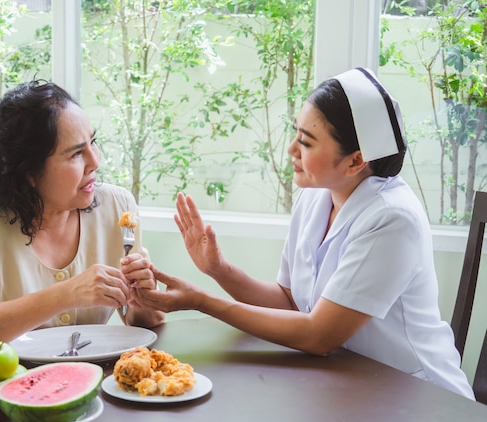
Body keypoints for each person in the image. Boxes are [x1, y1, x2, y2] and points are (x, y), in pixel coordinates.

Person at [134, 67, 475, 400]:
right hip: (347, 386)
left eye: (307, 142)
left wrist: (202, 301)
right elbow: (291, 301)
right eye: (296, 133)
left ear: (356, 161)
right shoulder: (315, 196)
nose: (291, 150)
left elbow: (318, 334)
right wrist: (218, 270)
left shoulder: (392, 219)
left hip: (419, 400)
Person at [0, 79, 164, 351]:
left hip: (97, 380)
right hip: (7, 380)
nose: (95, 161)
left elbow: (144, 323)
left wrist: (144, 296)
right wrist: (67, 294)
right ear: (30, 172)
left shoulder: (118, 206)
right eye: (76, 154)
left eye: (93, 142)